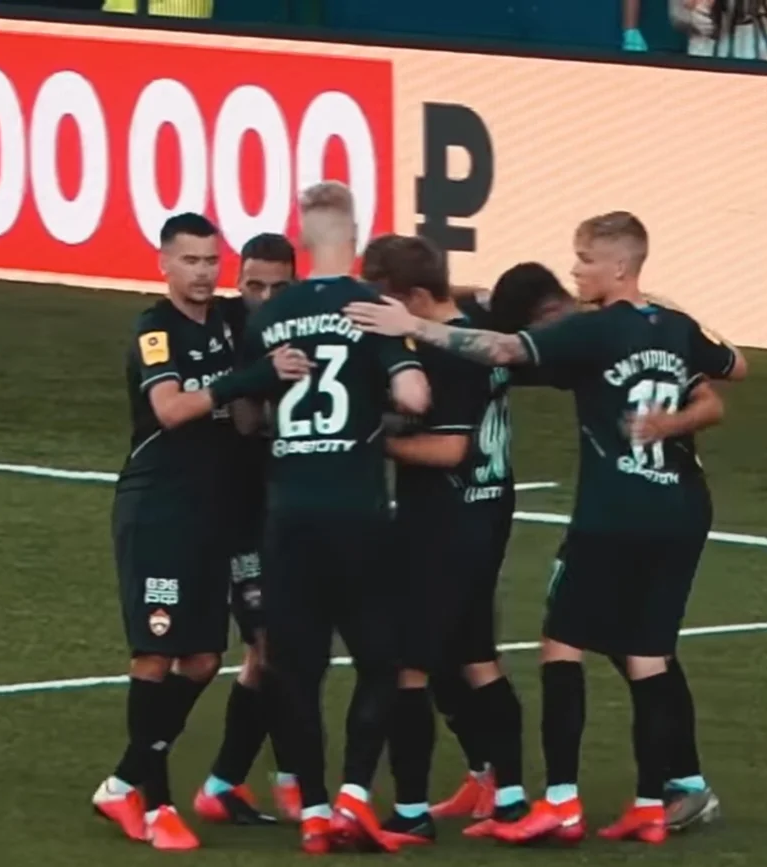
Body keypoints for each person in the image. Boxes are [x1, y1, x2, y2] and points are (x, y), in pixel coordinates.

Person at [344, 211, 746, 845]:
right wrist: (673, 418)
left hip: (613, 513)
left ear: (619, 265)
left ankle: (559, 801)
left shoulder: (592, 331)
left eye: (585, 259)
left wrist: (413, 327)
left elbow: (504, 350)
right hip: (683, 508)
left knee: (561, 646)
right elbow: (733, 370)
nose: (576, 271)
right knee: (646, 654)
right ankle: (657, 798)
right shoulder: (672, 326)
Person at [91, 213, 308, 851]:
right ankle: (156, 807)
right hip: (159, 509)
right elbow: (171, 408)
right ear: (164, 263)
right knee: (155, 656)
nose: (203, 273)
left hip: (211, 513)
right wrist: (249, 379)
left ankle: (123, 782)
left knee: (206, 659)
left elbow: (242, 417)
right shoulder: (156, 329)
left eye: (211, 261)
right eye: (190, 261)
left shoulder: (229, 324)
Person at [242, 182, 429, 854]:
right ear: (355, 235)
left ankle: (315, 811)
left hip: (289, 514)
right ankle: (354, 794)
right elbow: (415, 394)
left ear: (301, 238)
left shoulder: (270, 313)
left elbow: (249, 416)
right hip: (356, 511)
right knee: (381, 660)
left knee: (295, 668)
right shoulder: (371, 307)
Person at [358, 235, 531, 846]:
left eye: (382, 300)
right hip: (485, 511)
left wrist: (370, 441)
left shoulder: (447, 356)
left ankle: (410, 811)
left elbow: (449, 449)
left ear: (411, 297)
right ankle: (509, 798)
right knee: (476, 658)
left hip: (443, 523)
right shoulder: (474, 330)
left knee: (409, 666)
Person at [194, 233, 301, 824]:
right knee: (269, 646)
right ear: (239, 281)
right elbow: (241, 421)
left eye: (277, 288)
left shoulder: (308, 324)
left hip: (291, 509)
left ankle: (225, 783)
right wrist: (261, 369)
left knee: (271, 652)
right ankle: (288, 779)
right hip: (239, 512)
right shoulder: (228, 328)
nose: (264, 297)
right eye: (254, 285)